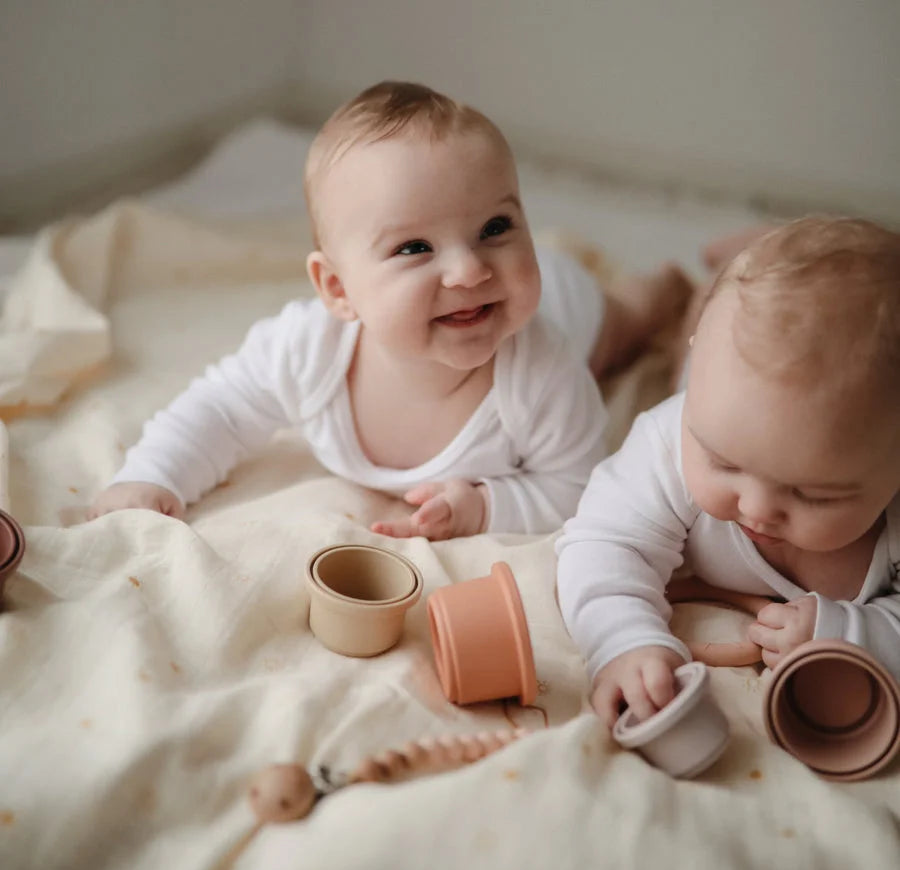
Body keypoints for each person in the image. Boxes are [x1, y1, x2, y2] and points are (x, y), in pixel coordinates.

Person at [88, 81, 686, 538]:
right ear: (338, 290)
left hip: (566, 299)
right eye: (415, 247)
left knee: (622, 331)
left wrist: (487, 506)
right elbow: (220, 408)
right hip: (528, 291)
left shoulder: (544, 372)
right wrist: (153, 475)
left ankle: (664, 290)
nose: (469, 270)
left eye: (496, 226)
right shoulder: (307, 350)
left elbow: (577, 486)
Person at [556, 216, 900, 726]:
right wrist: (625, 640)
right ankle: (710, 287)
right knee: (696, 343)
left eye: (814, 495)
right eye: (723, 463)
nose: (756, 508)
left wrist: (850, 633)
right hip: (703, 374)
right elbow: (603, 543)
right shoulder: (674, 439)